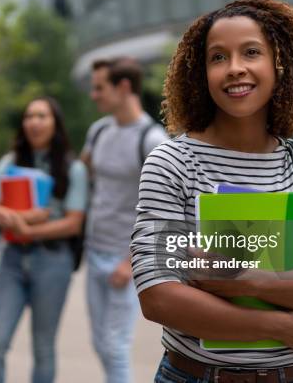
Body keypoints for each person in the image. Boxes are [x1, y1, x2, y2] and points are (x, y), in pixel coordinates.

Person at [130, 0, 293, 383]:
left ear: (279, 63)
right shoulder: (172, 163)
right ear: (200, 73)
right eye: (217, 58)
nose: (235, 68)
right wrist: (277, 326)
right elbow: (158, 296)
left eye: (251, 52)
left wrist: (249, 282)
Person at [0, 96, 88, 383]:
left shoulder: (72, 168)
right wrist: (25, 219)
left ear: (56, 123)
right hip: (12, 259)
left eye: (42, 116)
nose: (34, 122)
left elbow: (74, 222)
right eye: (29, 116)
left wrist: (31, 230)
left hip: (53, 262)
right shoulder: (9, 162)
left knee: (43, 347)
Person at [80, 57, 168, 383]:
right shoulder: (99, 130)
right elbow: (83, 177)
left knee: (115, 347)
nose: (93, 95)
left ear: (124, 87)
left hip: (125, 262)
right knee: (101, 344)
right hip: (94, 252)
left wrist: (131, 262)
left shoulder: (153, 140)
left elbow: (164, 211)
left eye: (99, 88)